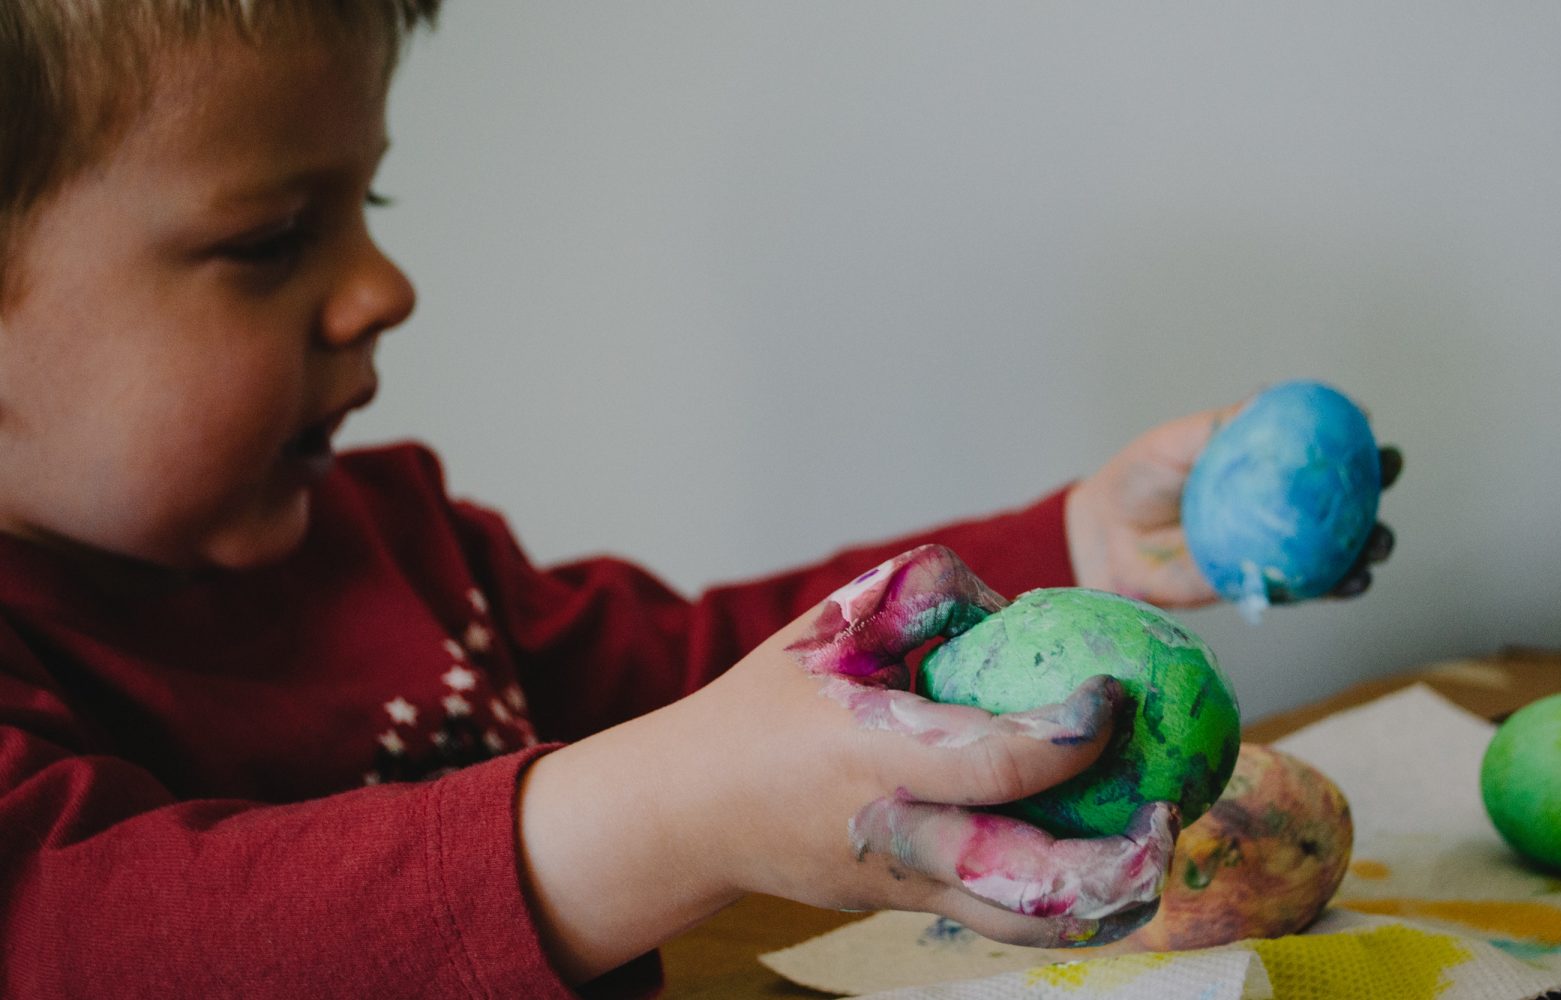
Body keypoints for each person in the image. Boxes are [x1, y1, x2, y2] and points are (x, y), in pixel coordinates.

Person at [0, 3, 1398, 997]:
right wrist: (673, 816)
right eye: (272, 238)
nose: (383, 289)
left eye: (375, 204)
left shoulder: (408, 552)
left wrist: (1072, 551)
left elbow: (718, 686)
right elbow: (77, 942)